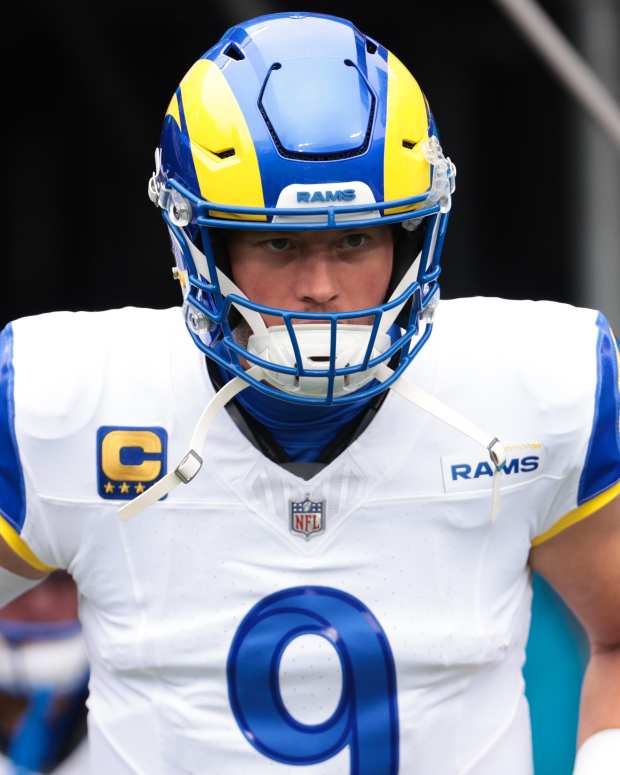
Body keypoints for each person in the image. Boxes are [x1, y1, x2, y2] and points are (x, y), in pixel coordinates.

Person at [0, 11, 618, 774]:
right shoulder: (71, 397)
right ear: (201, 242)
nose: (321, 287)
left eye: (355, 239)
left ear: (410, 238)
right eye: (279, 242)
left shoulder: (526, 385)